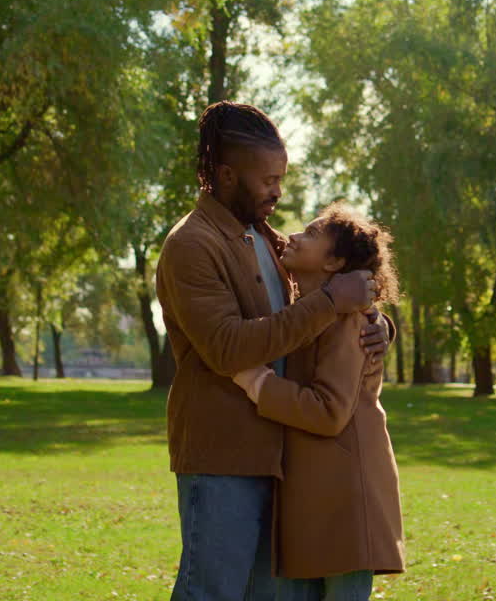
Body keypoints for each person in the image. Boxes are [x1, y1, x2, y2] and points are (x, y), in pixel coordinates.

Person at [156, 102, 393, 600]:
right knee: (211, 593)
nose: (277, 192)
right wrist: (333, 302)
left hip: (282, 457)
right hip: (222, 456)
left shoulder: (264, 238)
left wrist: (376, 324)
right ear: (227, 175)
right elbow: (227, 347)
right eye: (267, 180)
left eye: (280, 178)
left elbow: (323, 290)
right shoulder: (191, 245)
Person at [233, 203, 405, 601]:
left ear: (335, 262)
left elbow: (329, 411)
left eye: (310, 234)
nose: (293, 236)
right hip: (320, 497)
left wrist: (257, 382)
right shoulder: (310, 311)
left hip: (347, 499)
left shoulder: (347, 320)